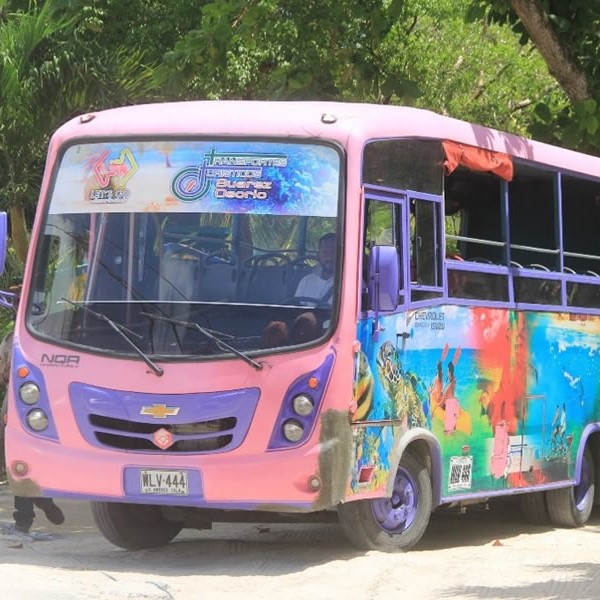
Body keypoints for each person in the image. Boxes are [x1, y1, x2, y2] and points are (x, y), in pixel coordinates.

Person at [0, 331, 65, 534]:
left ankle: (24, 519)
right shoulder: (44, 332)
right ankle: (43, 502)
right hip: (38, 402)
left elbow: (3, 373)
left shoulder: (12, 338)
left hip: (19, 400)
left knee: (17, 459)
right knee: (21, 460)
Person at [294, 232, 336, 303]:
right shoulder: (306, 281)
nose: (329, 257)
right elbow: (296, 308)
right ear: (318, 254)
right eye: (325, 252)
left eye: (334, 252)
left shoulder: (351, 284)